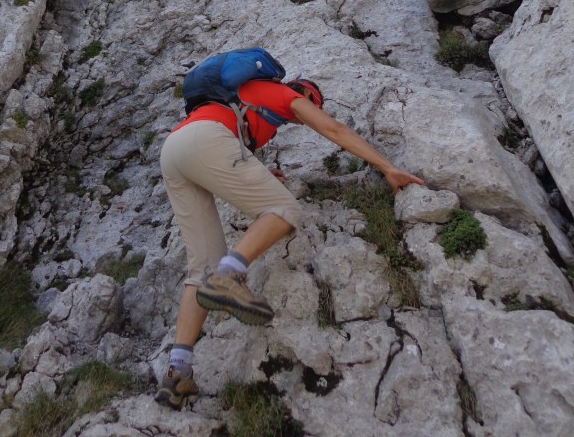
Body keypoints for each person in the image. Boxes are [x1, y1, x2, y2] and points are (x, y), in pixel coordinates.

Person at [155, 74, 426, 409]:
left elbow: (224, 149)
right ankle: (228, 276)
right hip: (206, 140)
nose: (309, 111)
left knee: (201, 267)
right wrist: (387, 167)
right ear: (303, 92)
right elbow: (335, 131)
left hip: (175, 149)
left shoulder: (243, 98)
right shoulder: (285, 94)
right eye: (312, 103)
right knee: (283, 208)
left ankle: (177, 373)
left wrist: (261, 173)